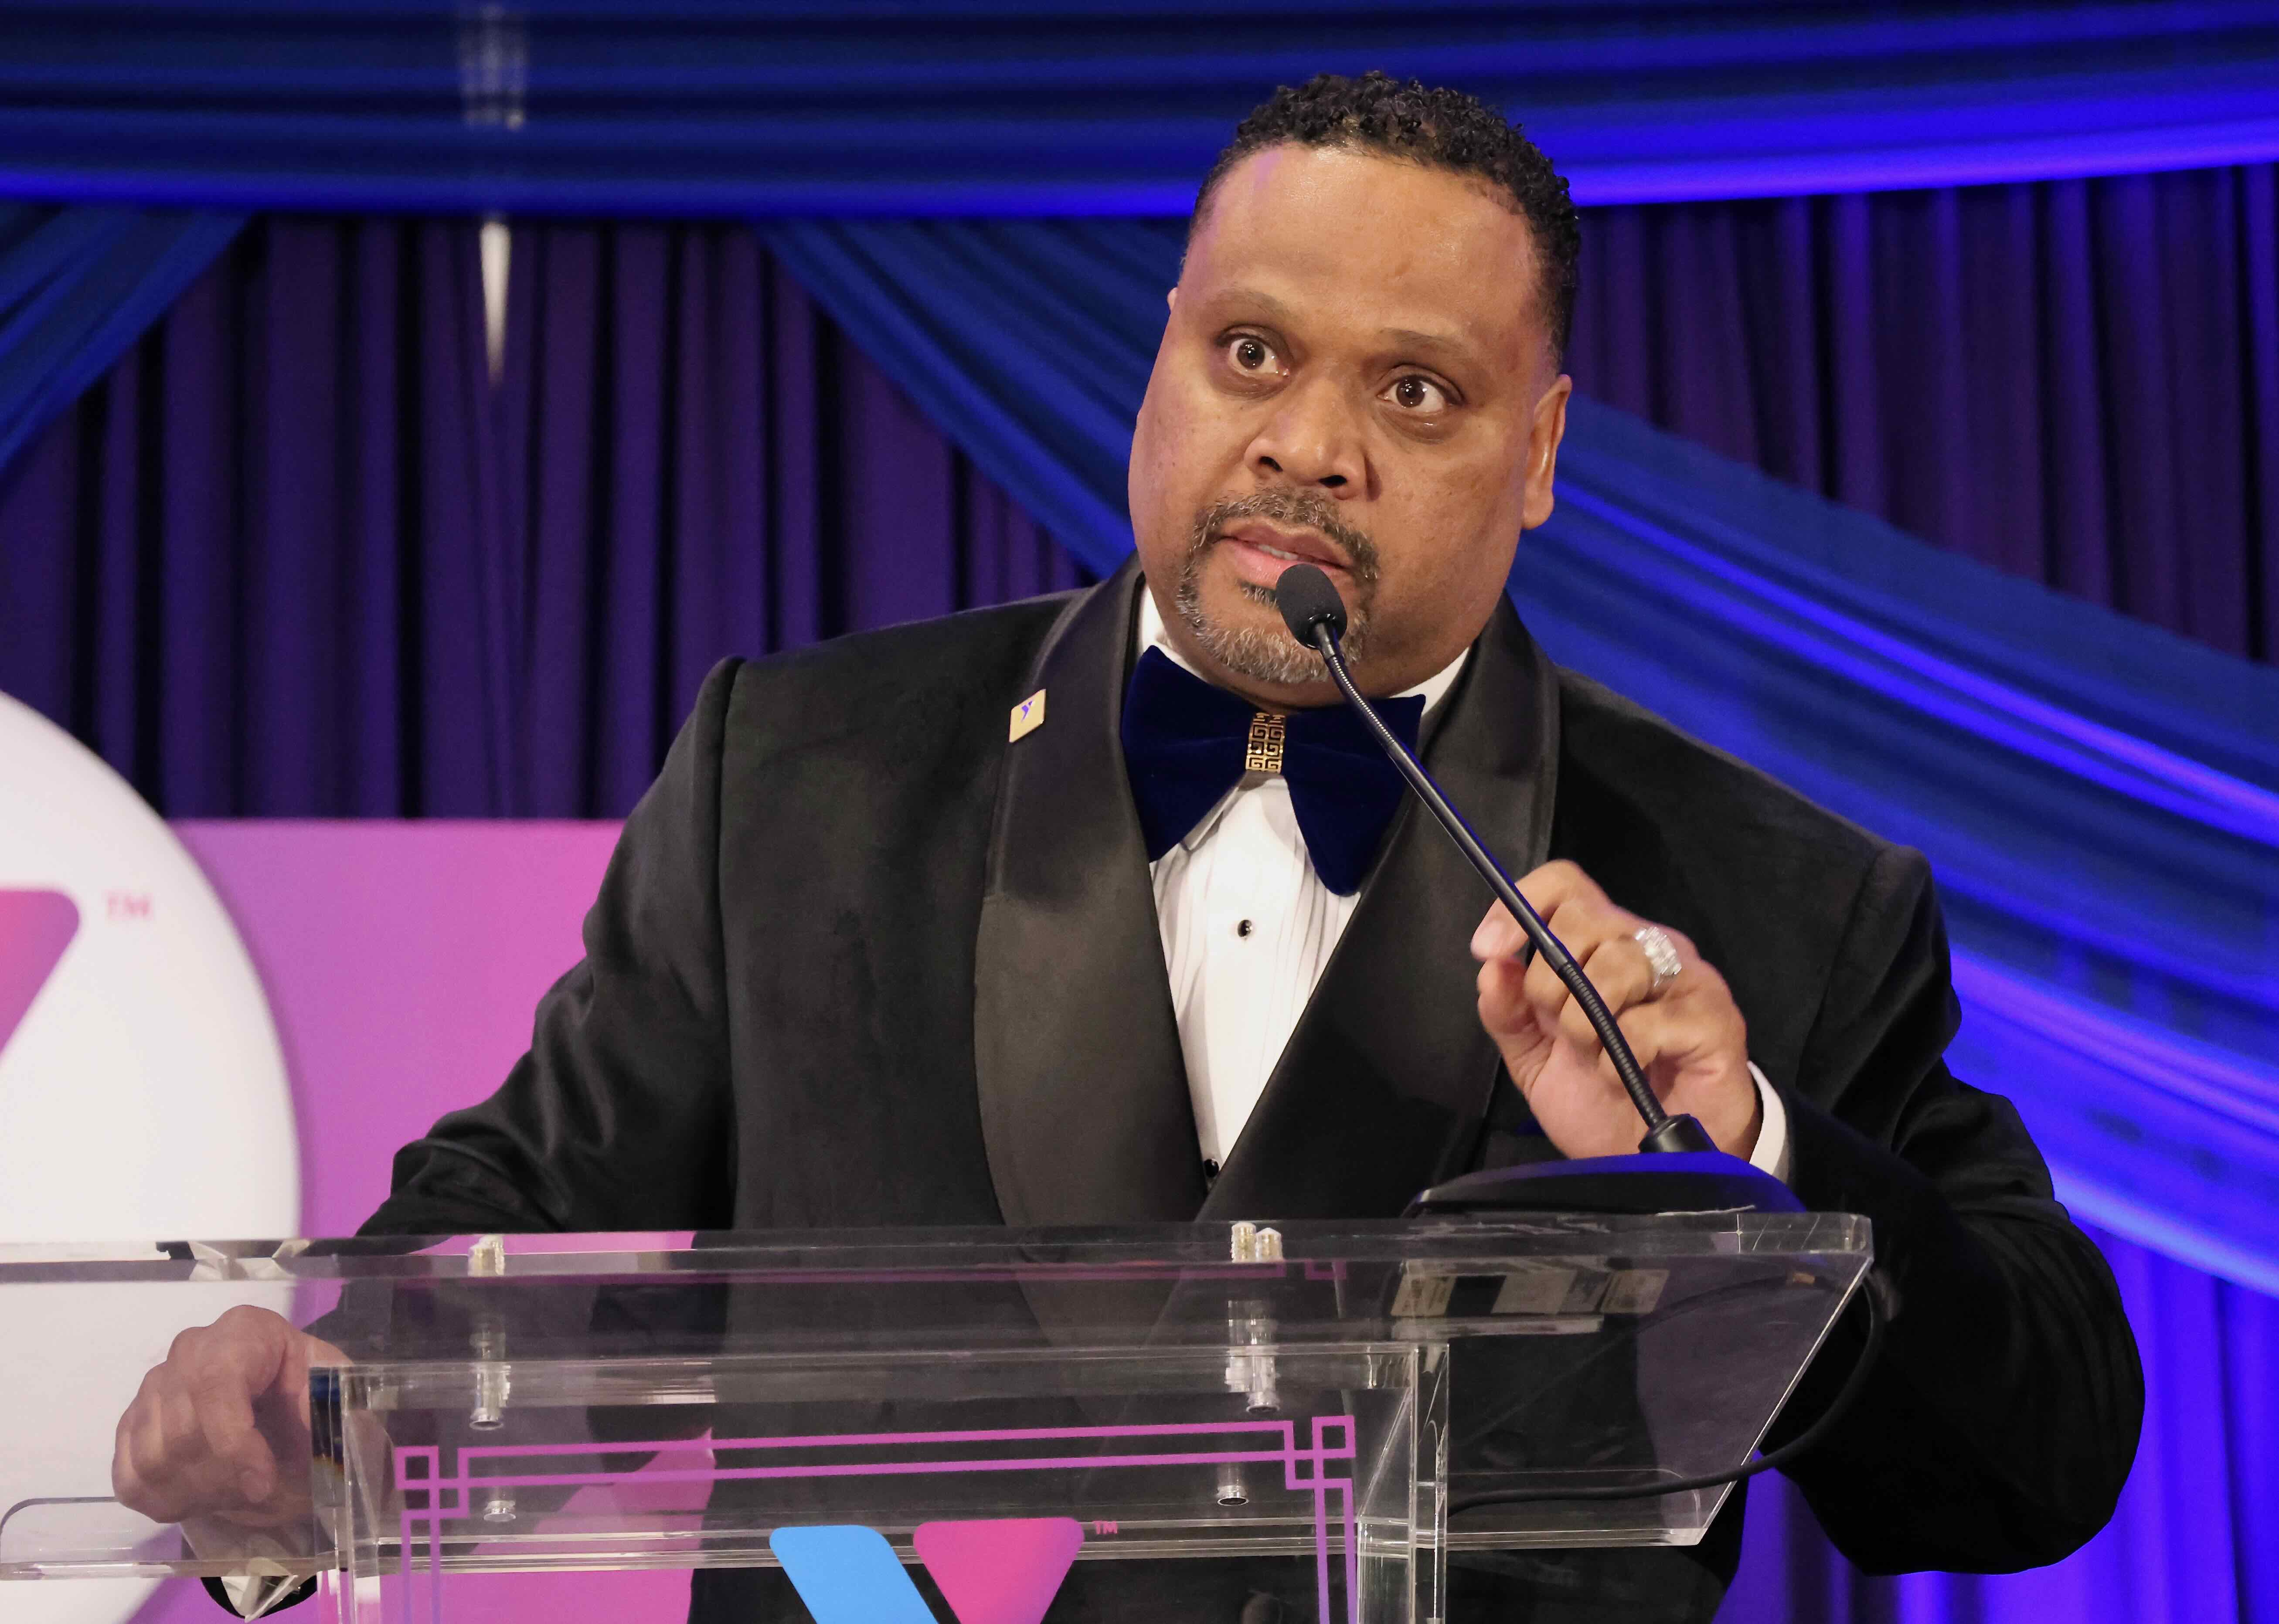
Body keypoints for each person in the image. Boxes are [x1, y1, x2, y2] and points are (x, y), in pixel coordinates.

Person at [115, 72, 2141, 1622]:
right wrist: (312, 1412)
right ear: (1162, 351)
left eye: (1416, 391)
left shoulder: (1758, 894)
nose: (1306, 445)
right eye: (1250, 354)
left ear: (1537, 452)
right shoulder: (802, 767)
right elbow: (542, 1220)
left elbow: (2029, 1455)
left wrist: (1757, 1150)